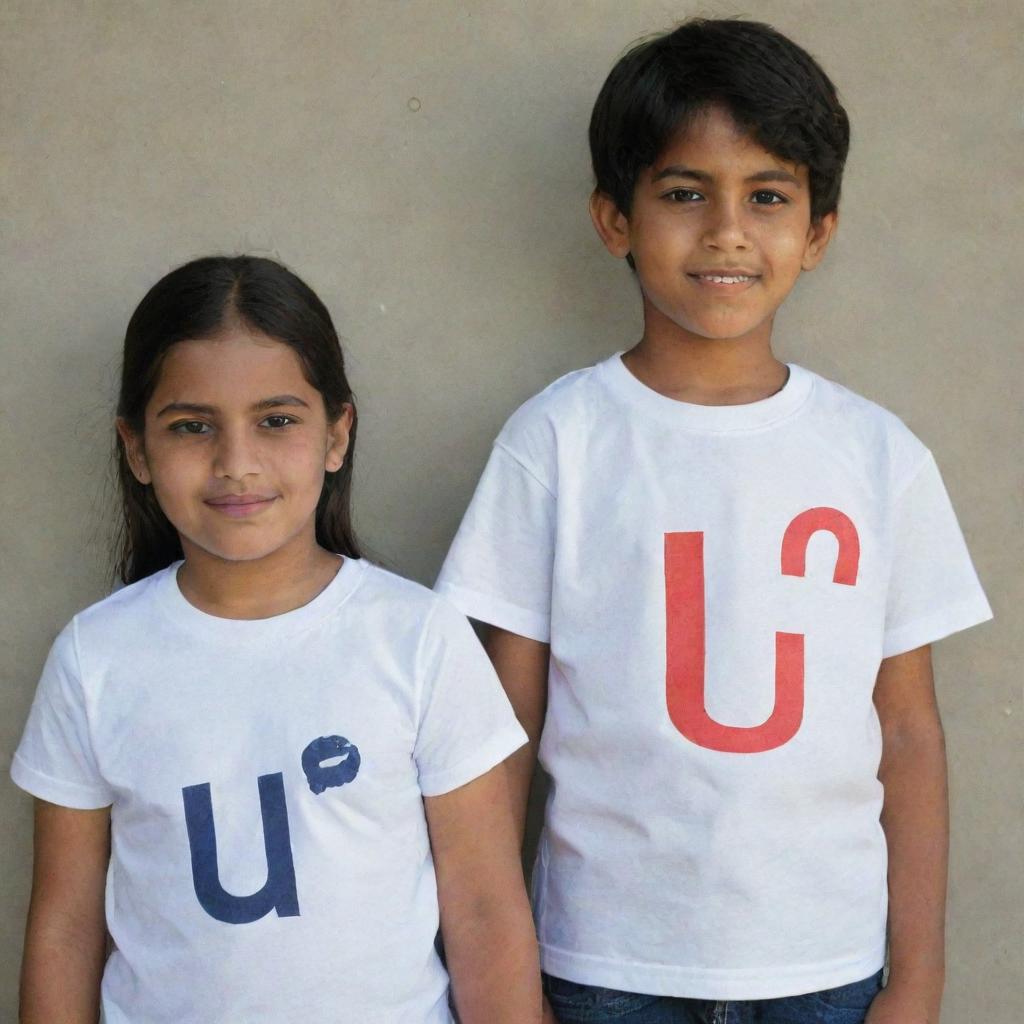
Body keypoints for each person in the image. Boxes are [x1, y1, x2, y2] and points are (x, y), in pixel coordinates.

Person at [436, 18, 992, 1024]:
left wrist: (916, 979)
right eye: (685, 193)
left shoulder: (877, 455)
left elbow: (906, 732)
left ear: (817, 231)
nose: (727, 230)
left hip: (825, 963)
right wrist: (500, 980)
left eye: (767, 197)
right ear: (615, 219)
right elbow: (498, 733)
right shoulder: (557, 440)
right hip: (607, 961)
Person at [12, 255, 542, 1023]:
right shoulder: (96, 659)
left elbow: (487, 911)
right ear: (136, 449)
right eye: (193, 427)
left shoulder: (417, 637)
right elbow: (64, 930)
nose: (237, 463)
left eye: (277, 421)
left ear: (337, 434)